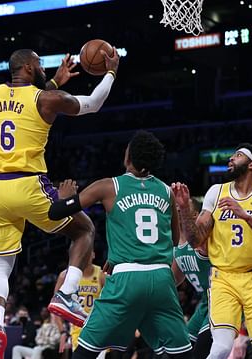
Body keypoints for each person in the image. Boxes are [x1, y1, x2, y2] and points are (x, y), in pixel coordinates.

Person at [0, 48, 119, 359]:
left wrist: (55, 83)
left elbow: (20, 108)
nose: (43, 67)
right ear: (30, 67)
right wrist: (110, 72)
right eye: (39, 64)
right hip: (28, 183)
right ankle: (66, 295)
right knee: (83, 229)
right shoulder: (47, 100)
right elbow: (93, 104)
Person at [48, 131, 192, 358]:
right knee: (180, 354)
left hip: (127, 280)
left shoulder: (108, 186)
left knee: (84, 352)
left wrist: (64, 196)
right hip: (162, 279)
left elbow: (56, 212)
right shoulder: (166, 191)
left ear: (129, 156)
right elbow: (173, 240)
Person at [173, 143, 252, 359]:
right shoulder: (216, 192)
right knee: (220, 348)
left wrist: (246, 216)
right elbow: (196, 239)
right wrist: (184, 208)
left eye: (237, 156)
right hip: (223, 278)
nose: (230, 160)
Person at [171, 199, 212, 358]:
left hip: (222, 300)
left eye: (182, 207)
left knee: (200, 353)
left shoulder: (202, 239)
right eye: (176, 207)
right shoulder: (176, 242)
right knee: (182, 352)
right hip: (204, 303)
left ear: (195, 215)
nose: (178, 208)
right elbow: (174, 278)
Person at [53, 252, 106, 356]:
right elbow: (56, 305)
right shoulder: (65, 276)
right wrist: (62, 331)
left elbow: (110, 303)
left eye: (88, 251)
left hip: (97, 326)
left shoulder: (101, 275)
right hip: (77, 327)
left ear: (94, 254)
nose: (85, 255)